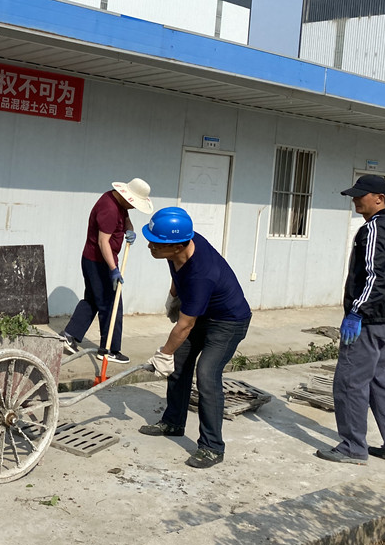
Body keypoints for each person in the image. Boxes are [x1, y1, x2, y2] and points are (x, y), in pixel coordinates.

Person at [138, 207, 252, 469]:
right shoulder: (179, 244)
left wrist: (163, 354)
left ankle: (212, 447)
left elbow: (185, 326)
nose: (150, 246)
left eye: (155, 244)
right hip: (202, 314)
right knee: (179, 364)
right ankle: (173, 422)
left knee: (207, 374)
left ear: (177, 246)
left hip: (228, 322)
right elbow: (176, 273)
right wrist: (174, 297)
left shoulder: (203, 272)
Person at [316, 174, 385, 465]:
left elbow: (375, 276)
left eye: (361, 196)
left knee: (349, 383)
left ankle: (352, 447)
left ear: (379, 199)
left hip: (368, 321)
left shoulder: (375, 228)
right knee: (378, 384)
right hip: (384, 320)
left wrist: (357, 311)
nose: (355, 200)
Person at [60, 178, 153, 363]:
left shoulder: (116, 200)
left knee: (93, 300)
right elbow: (103, 242)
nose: (134, 207)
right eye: (134, 204)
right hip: (100, 262)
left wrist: (129, 229)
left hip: (94, 260)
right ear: (127, 197)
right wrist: (113, 269)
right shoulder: (109, 209)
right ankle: (109, 349)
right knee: (112, 304)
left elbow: (126, 218)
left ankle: (69, 335)